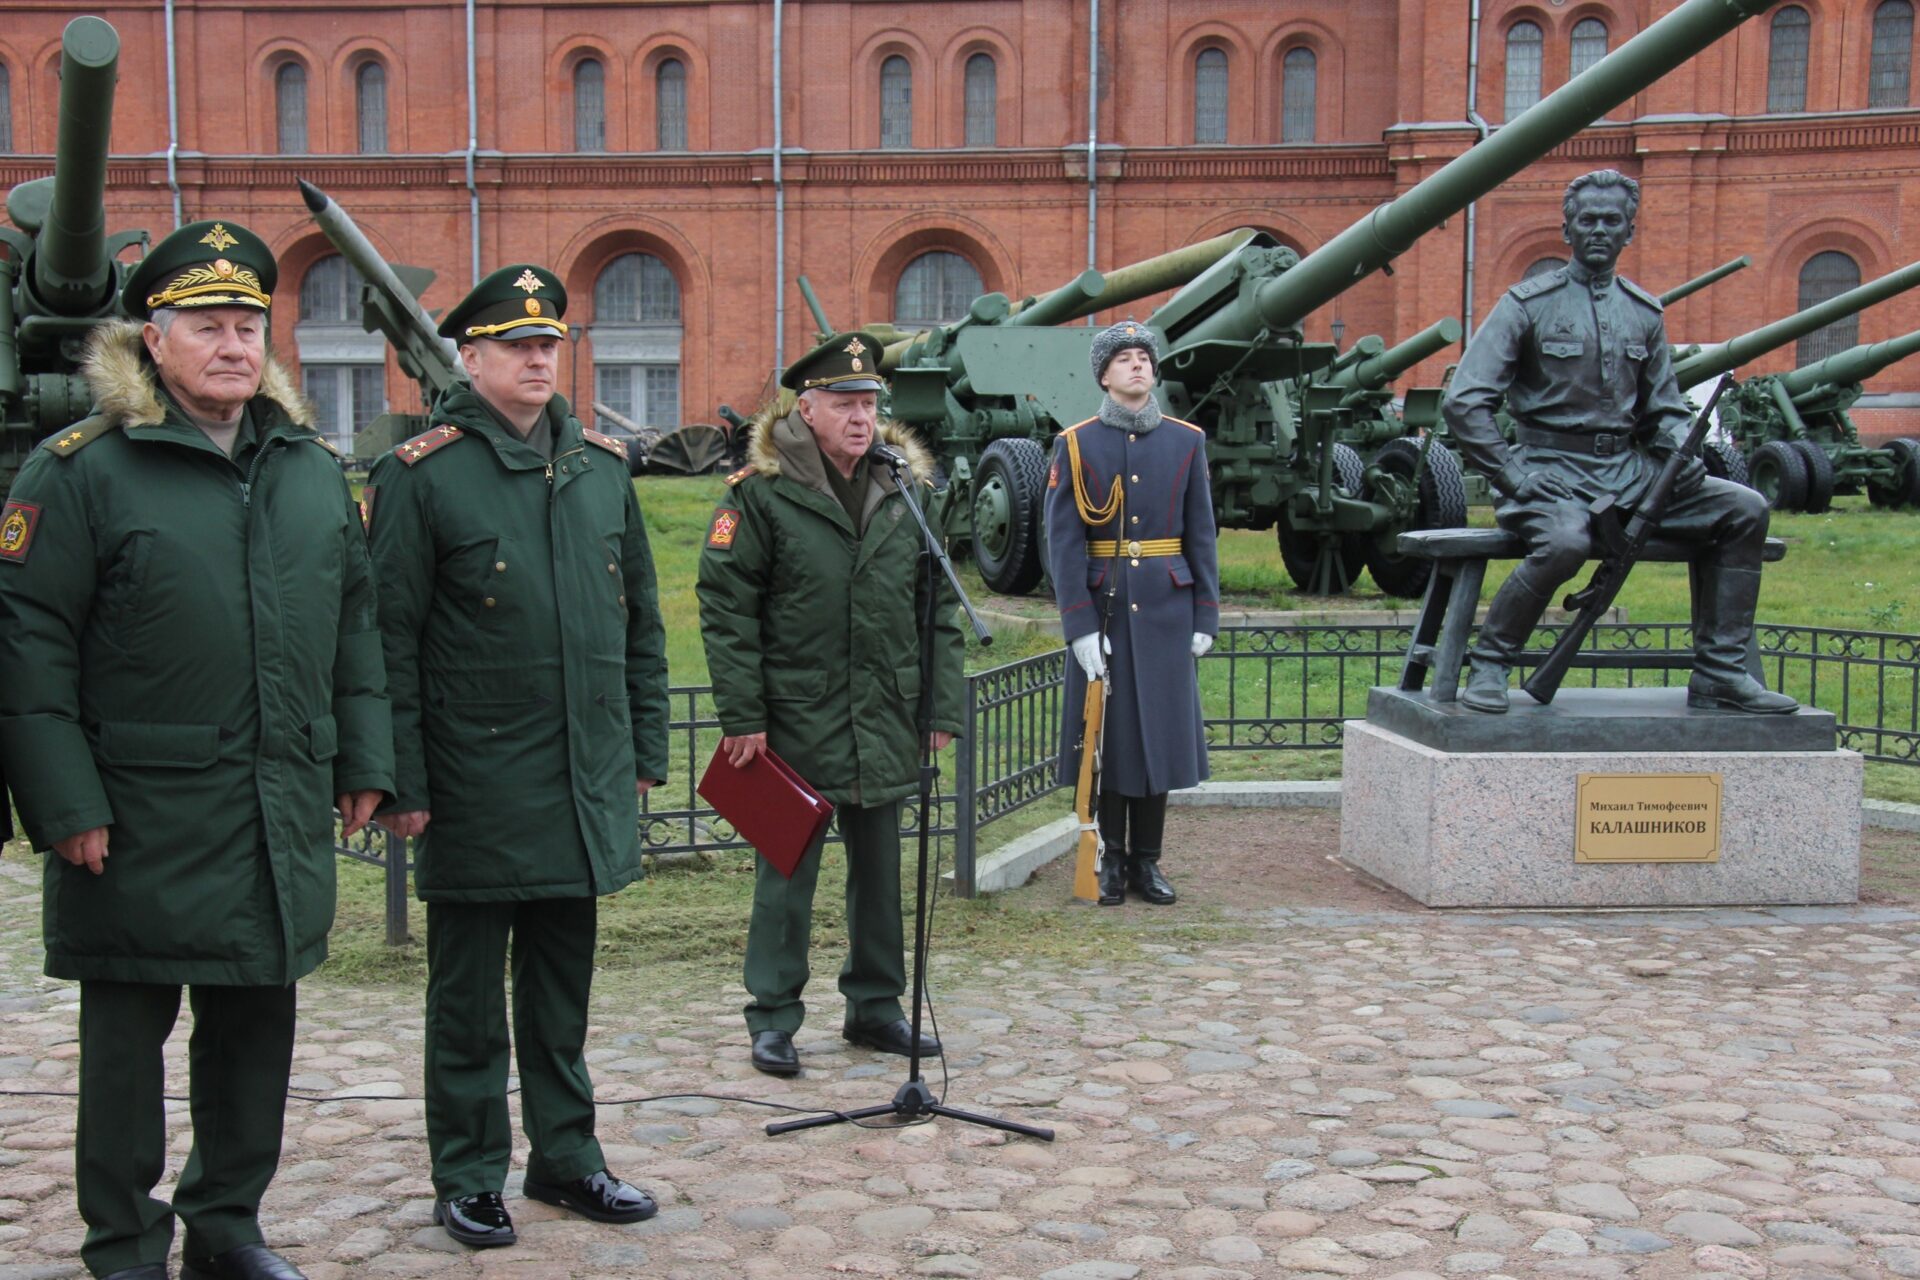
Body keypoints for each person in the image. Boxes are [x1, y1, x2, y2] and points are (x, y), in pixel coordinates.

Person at [0, 220, 393, 1280]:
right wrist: (63, 801)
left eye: (248, 324)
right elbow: (26, 645)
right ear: (153, 340)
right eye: (208, 326)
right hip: (135, 812)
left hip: (274, 798)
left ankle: (227, 1222)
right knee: (127, 1042)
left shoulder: (307, 466)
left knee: (255, 1024)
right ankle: (125, 1239)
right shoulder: (80, 469)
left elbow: (352, 622)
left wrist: (363, 757)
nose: (233, 344)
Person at [365, 264, 668, 1248]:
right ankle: (468, 1169)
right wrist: (402, 777)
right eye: (519, 344)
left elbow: (642, 630)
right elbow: (388, 639)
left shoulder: (600, 472)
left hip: (579, 776)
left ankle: (567, 1154)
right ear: (472, 354)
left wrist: (645, 748)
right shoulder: (422, 473)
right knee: (466, 997)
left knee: (559, 986)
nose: (541, 359)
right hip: (472, 780)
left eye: (551, 344)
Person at [697, 332, 965, 1077]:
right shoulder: (759, 495)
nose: (861, 417)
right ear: (807, 410)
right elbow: (725, 607)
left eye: (870, 404)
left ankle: (876, 1008)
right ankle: (774, 1016)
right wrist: (742, 714)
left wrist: (939, 707)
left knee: (881, 874)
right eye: (845, 403)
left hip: (883, 710)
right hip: (794, 716)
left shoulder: (906, 491)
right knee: (786, 873)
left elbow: (936, 608)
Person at [1442, 169, 1797, 715]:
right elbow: (1464, 400)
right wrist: (1512, 477)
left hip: (1631, 475)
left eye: (1613, 221)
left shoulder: (1643, 312)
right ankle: (1491, 661)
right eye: (1588, 220)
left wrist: (1684, 450)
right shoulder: (1527, 305)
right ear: (1568, 228)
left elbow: (1665, 407)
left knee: (1745, 509)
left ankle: (1721, 673)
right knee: (1564, 543)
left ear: (1630, 230)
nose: (1600, 230)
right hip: (1548, 467)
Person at [1046, 322, 1221, 906]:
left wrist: (1205, 615)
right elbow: (1065, 543)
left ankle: (1148, 862)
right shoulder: (1076, 444)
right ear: (1103, 374)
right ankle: (1111, 861)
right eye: (1123, 358)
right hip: (1107, 609)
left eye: (1144, 357)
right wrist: (1078, 625)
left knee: (1161, 743)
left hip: (1168, 609)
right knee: (1113, 742)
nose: (1137, 366)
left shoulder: (1186, 441)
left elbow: (1202, 534)